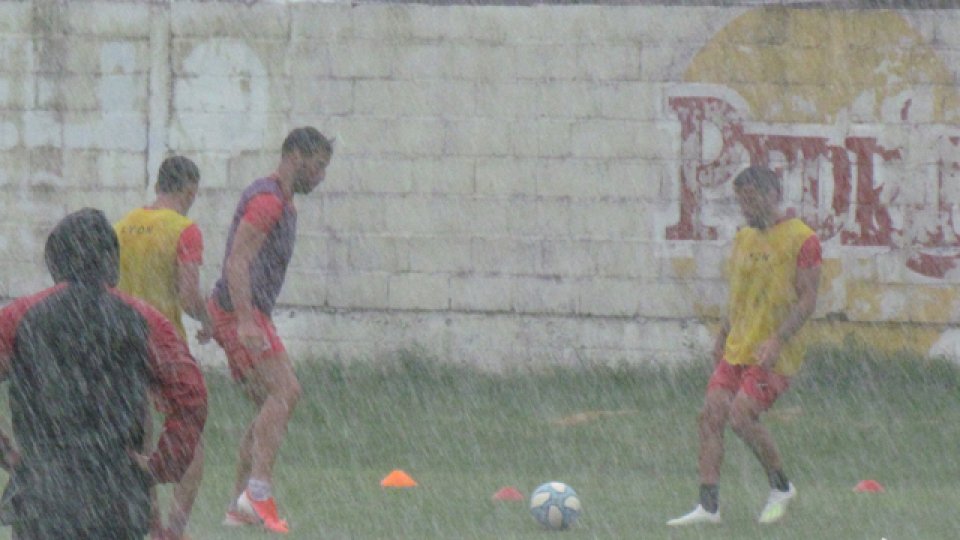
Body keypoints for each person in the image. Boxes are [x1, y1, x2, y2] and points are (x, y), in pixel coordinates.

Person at [0, 208, 207, 539]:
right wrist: (161, 463)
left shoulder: (18, 317)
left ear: (55, 262)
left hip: (43, 491)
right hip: (116, 492)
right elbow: (191, 394)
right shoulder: (146, 320)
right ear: (112, 262)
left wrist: (6, 452)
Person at [667, 166, 822, 526]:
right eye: (741, 201)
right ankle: (708, 507)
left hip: (775, 354)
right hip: (739, 347)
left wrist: (777, 339)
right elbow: (739, 297)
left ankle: (781, 487)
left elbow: (807, 300)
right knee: (711, 416)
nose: (745, 209)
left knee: (741, 416)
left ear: (771, 196)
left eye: (751, 200)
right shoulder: (743, 239)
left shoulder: (803, 239)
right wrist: (722, 335)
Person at [209, 126, 333, 533]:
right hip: (242, 313)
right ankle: (258, 492)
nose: (321, 176)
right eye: (318, 165)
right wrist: (243, 319)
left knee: (269, 406)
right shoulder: (268, 201)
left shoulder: (282, 202)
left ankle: (238, 505)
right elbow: (237, 262)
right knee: (286, 391)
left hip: (240, 311)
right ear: (295, 156)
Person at [114, 156, 211, 540]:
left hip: (122, 344)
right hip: (165, 346)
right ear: (189, 189)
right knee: (190, 436)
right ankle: (174, 529)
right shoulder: (184, 230)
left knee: (139, 437)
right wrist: (209, 321)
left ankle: (150, 523)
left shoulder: (121, 226)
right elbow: (188, 297)